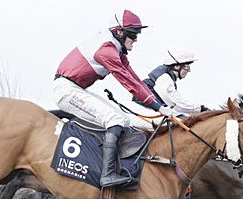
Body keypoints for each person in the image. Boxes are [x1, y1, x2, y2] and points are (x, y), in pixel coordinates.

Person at [53, 10, 176, 188]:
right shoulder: (106, 50)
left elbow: (135, 80)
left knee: (124, 119)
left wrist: (159, 107)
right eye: (133, 35)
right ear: (119, 32)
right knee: (114, 119)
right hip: (66, 89)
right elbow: (127, 83)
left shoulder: (118, 51)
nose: (136, 39)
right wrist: (158, 107)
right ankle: (107, 174)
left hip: (76, 88)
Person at [141, 48, 209, 116]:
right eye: (187, 67)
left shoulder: (167, 77)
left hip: (148, 109)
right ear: (176, 66)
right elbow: (176, 104)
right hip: (143, 109)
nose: (189, 70)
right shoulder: (164, 78)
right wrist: (201, 109)